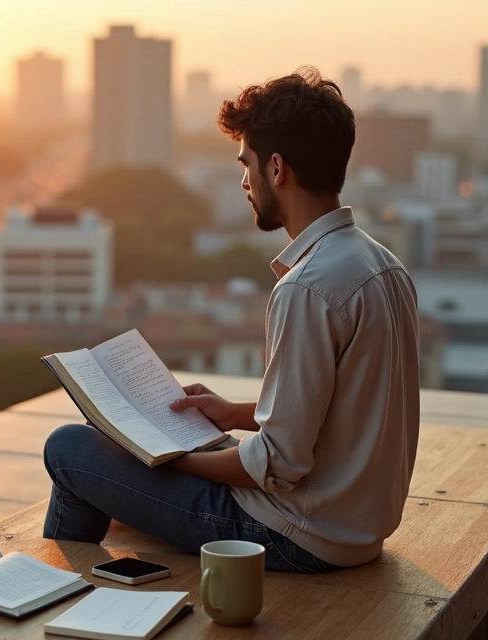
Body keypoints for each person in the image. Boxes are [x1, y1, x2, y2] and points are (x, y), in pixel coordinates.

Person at [41, 67, 420, 572]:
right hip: (356, 528)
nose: (244, 181)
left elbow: (280, 464)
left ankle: (45, 591)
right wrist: (234, 415)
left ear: (277, 168)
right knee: (131, 453)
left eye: (247, 164)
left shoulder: (306, 287)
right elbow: (338, 409)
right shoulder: (382, 265)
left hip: (296, 535)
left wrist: (171, 458)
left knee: (70, 450)